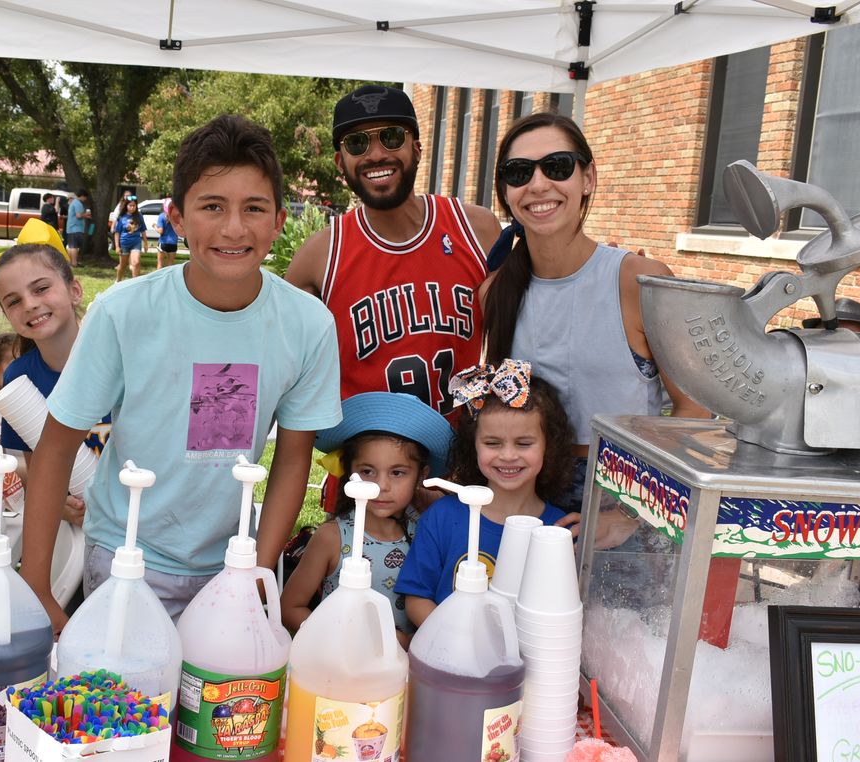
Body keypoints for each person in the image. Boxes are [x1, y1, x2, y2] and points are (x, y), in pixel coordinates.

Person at [20, 114, 342, 630]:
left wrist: (255, 573)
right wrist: (37, 588)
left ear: (279, 221)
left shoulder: (308, 325)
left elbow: (292, 458)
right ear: (175, 218)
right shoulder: (123, 313)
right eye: (212, 207)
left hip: (233, 566)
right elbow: (55, 447)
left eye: (253, 208)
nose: (234, 228)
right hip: (128, 557)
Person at [481, 112, 710, 513]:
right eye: (518, 172)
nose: (537, 185)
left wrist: (630, 515)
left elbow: (696, 412)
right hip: (524, 489)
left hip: (624, 487)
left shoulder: (639, 281)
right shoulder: (495, 292)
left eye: (557, 166)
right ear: (505, 189)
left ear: (588, 178)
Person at [285, 84, 502, 421]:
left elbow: (518, 340)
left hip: (464, 462)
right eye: (358, 142)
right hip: (367, 469)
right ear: (340, 162)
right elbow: (289, 380)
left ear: (417, 148)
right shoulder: (319, 257)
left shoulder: (477, 229)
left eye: (391, 137)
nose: (375, 154)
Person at [395, 360, 576, 627]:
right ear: (473, 446)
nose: (508, 455)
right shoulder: (442, 517)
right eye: (493, 443)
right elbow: (416, 599)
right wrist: (457, 641)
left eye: (524, 443)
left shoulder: (559, 531)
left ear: (549, 446)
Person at [279, 392, 455, 648]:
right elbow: (290, 607)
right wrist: (337, 638)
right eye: (367, 471)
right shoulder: (332, 537)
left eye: (397, 472)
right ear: (349, 472)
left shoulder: (428, 531)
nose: (381, 485)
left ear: (421, 476)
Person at [0, 226, 112, 530]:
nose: (30, 304)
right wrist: (60, 506)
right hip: (79, 531)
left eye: (41, 288)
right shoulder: (19, 380)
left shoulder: (121, 361)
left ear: (75, 290)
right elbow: (37, 470)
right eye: (14, 301)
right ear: (7, 315)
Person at [112, 195, 147, 281]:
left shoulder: (139, 216)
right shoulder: (122, 217)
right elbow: (117, 233)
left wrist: (145, 243)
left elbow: (143, 230)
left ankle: (135, 283)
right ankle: (118, 280)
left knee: (136, 263)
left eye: (134, 206)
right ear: (126, 206)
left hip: (136, 242)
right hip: (124, 243)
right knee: (122, 265)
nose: (132, 207)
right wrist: (117, 246)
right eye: (130, 205)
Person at [65, 189, 91, 268]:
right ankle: (74, 263)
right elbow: (78, 215)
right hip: (76, 227)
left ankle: (71, 262)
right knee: (74, 246)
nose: (85, 199)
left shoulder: (73, 202)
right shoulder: (78, 203)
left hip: (71, 227)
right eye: (85, 197)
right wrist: (86, 214)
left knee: (71, 246)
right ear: (82, 196)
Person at [155, 197, 179, 269]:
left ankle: (158, 279)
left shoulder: (162, 216)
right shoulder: (176, 216)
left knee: (160, 264)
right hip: (173, 243)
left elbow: (160, 231)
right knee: (170, 265)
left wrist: (155, 226)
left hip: (163, 243)